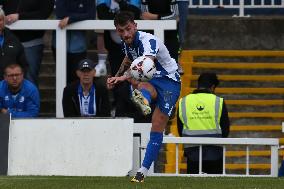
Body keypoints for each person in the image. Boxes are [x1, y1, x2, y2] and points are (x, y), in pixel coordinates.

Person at [107, 11, 181, 182]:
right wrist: (117, 75)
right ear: (117, 31)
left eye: (128, 29)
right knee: (140, 83)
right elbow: (128, 59)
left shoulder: (149, 41)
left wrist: (123, 78)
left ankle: (143, 170)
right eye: (120, 31)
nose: (125, 34)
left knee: (157, 124)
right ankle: (144, 98)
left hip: (169, 81)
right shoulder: (127, 43)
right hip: (151, 79)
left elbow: (144, 66)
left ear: (135, 26)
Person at [177, 72, 230, 174]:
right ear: (213, 87)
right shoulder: (218, 101)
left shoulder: (183, 101)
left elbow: (180, 129)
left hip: (192, 153)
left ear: (199, 84)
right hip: (215, 152)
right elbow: (225, 129)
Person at [1, 0, 54, 86]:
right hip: (8, 42)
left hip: (31, 42)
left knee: (29, 80)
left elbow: (43, 13)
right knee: (6, 79)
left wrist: (19, 16)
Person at [53, 0, 96, 84]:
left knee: (76, 78)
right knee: (62, 79)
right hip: (59, 44)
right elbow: (60, 13)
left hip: (79, 46)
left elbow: (91, 15)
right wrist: (81, 15)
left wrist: (70, 19)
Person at [141, 0, 184, 74]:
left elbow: (175, 16)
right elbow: (144, 15)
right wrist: (163, 17)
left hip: (170, 35)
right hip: (151, 33)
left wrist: (157, 17)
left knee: (172, 68)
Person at [0, 8, 28, 81]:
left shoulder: (13, 38)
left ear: (4, 21)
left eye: (0, 20)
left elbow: (23, 64)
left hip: (11, 86)